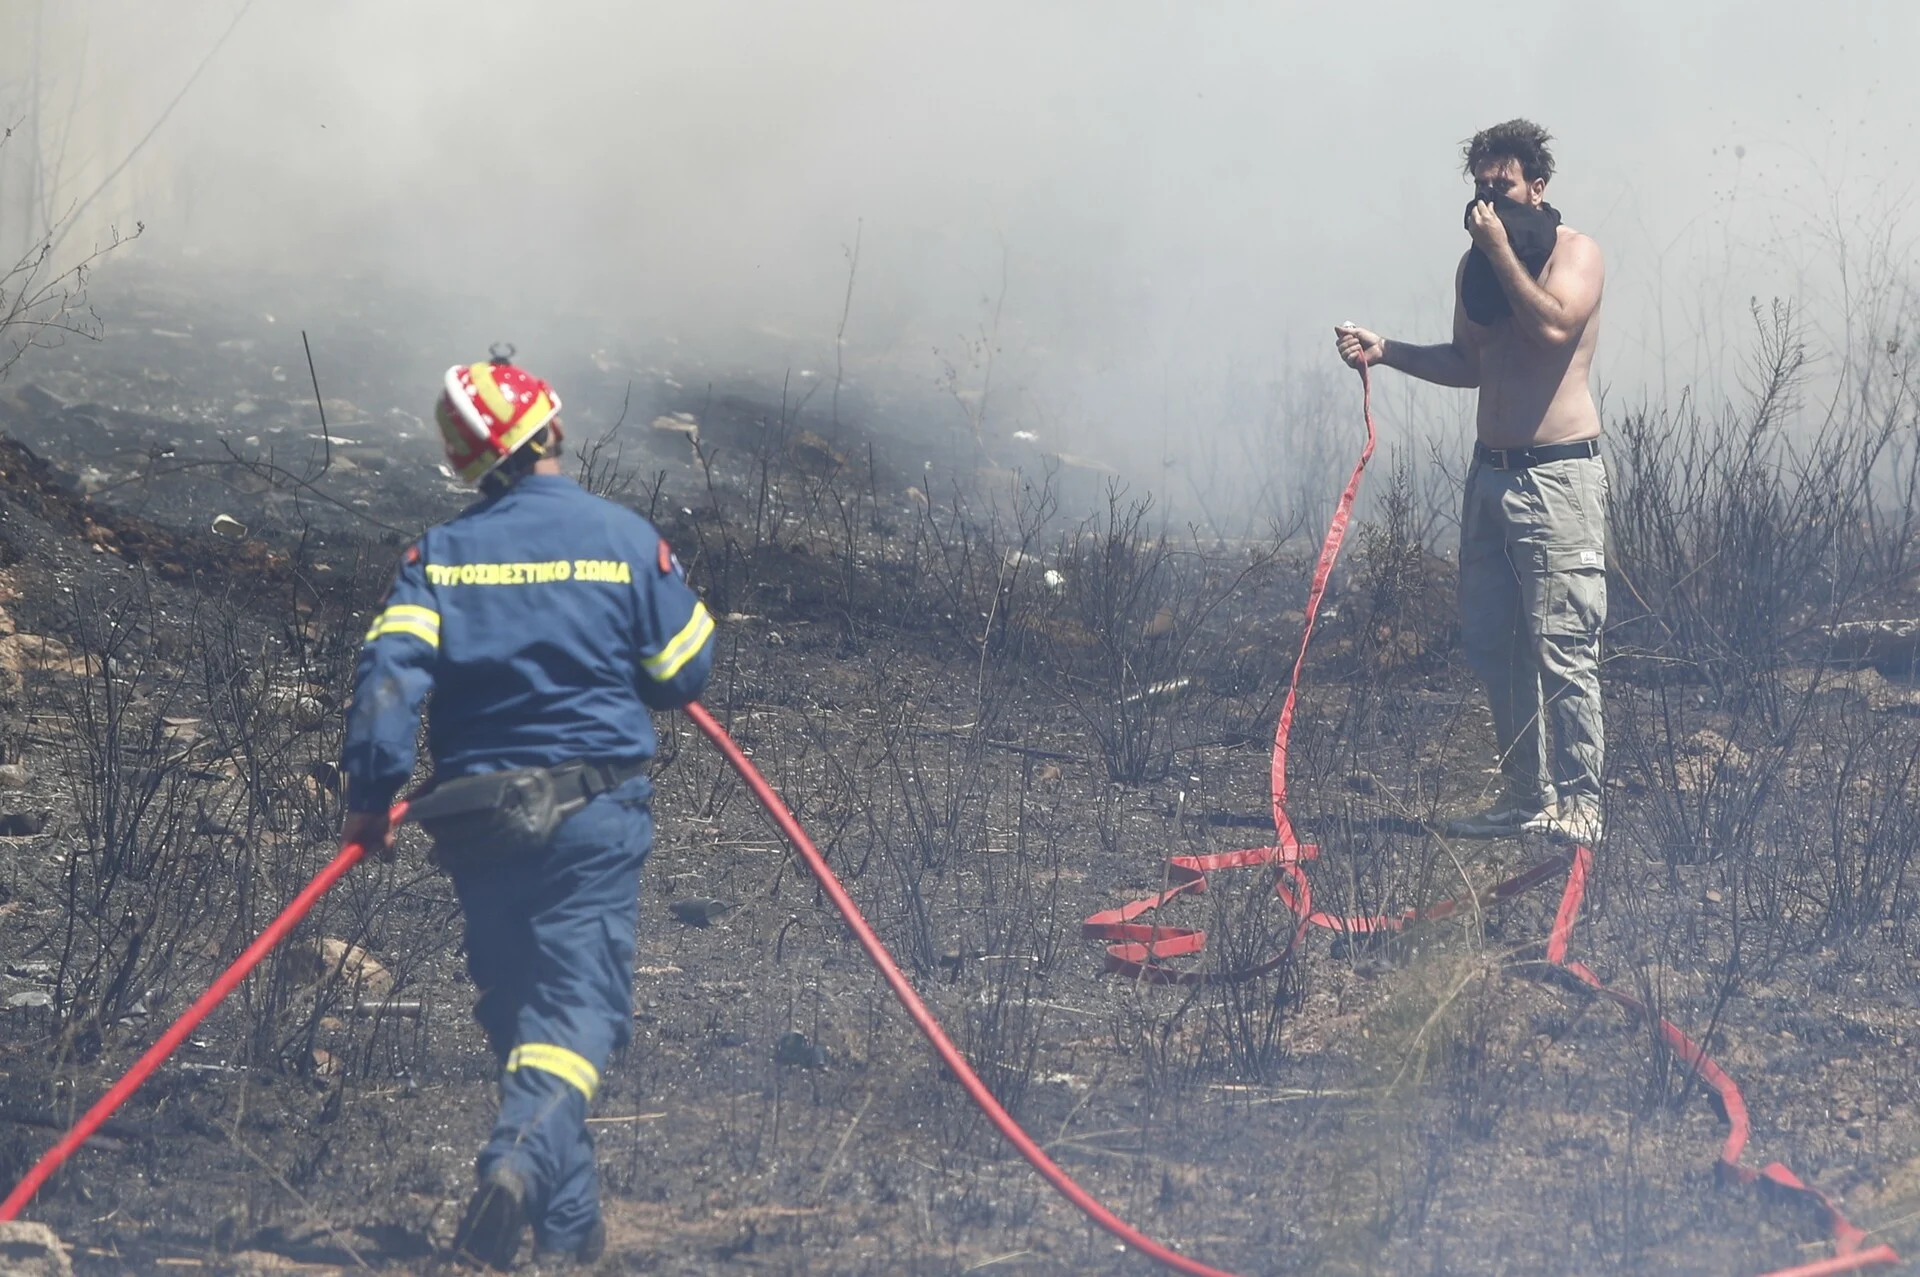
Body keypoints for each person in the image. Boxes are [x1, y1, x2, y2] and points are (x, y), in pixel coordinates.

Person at [339, 352, 716, 1268]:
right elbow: (682, 675)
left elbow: (389, 681)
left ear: (467, 461)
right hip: (592, 814)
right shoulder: (626, 538)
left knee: (520, 1014)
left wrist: (371, 798)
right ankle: (512, 1163)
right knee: (576, 1014)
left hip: (478, 823)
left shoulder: (437, 557)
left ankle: (570, 1230)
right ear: (551, 429)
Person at [1335, 118, 1607, 845]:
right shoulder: (1476, 269)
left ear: (1538, 185)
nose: (1490, 199)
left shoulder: (1577, 255)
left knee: (1562, 644)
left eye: (1505, 185)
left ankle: (1581, 804)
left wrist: (1497, 251)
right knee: (1496, 644)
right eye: (1481, 187)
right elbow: (1468, 361)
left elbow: (1551, 327)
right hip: (1490, 478)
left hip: (1557, 478)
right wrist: (1385, 350)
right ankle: (1525, 796)